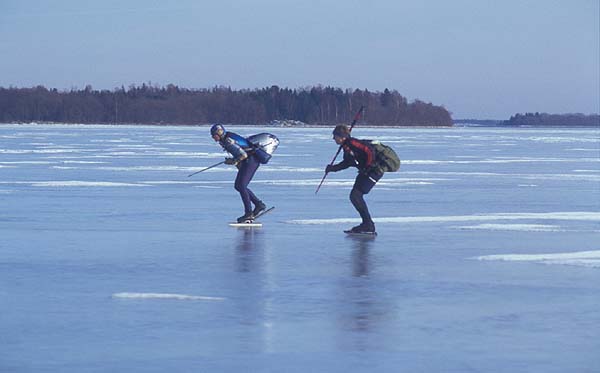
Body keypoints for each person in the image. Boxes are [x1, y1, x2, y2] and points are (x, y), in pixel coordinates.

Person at [325, 124, 384, 234]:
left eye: (335, 136)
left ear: (341, 136)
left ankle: (368, 225)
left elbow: (369, 150)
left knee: (356, 195)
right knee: (355, 196)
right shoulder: (347, 146)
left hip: (374, 171)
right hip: (365, 171)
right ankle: (367, 224)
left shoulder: (352, 143)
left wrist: (369, 166)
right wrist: (332, 168)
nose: (333, 138)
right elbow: (347, 163)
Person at [210, 124, 268, 223]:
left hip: (251, 161)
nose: (214, 138)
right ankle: (258, 205)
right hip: (249, 161)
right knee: (238, 186)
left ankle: (249, 213)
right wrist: (234, 161)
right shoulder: (226, 139)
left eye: (214, 135)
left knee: (241, 186)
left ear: (219, 133)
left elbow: (243, 155)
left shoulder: (228, 141)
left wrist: (233, 161)